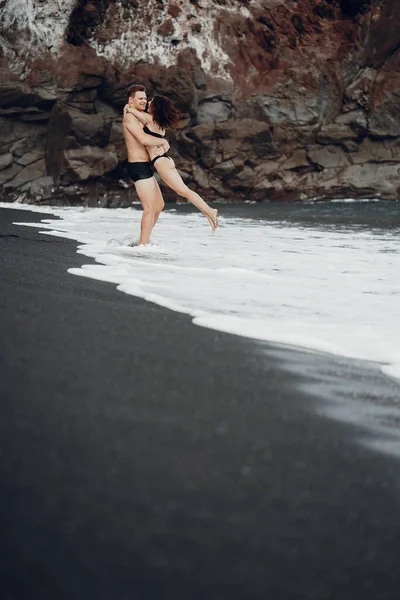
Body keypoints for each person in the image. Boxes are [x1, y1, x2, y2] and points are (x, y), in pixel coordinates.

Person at [124, 94, 218, 232]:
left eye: (150, 102)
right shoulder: (158, 122)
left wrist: (129, 107)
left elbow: (131, 111)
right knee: (184, 190)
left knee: (183, 191)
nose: (148, 103)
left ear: (155, 107)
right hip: (166, 159)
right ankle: (209, 211)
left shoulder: (150, 119)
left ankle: (209, 211)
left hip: (161, 161)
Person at [123, 84, 170, 246]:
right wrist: (163, 141)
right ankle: (142, 246)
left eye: (145, 98)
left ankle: (144, 240)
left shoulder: (137, 114)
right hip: (137, 166)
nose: (143, 101)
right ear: (131, 100)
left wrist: (130, 109)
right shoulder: (130, 118)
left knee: (159, 205)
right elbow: (142, 139)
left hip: (145, 166)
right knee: (150, 207)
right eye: (140, 98)